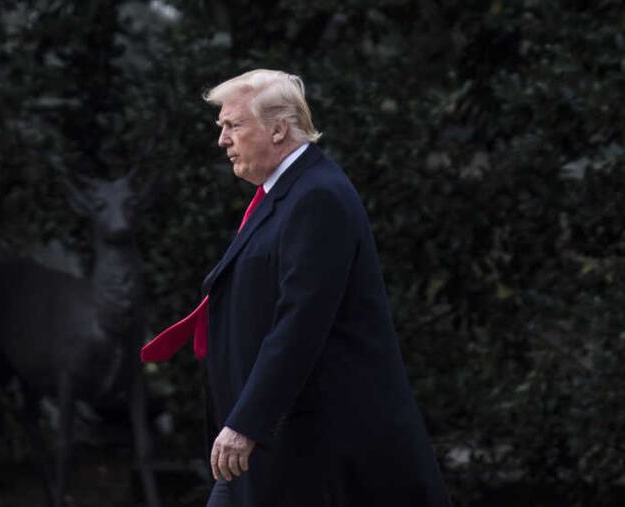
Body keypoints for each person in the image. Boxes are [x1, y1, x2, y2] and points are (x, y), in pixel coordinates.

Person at [141, 69, 451, 507]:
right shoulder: (291, 192)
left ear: (279, 129)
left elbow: (300, 322)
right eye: (222, 127)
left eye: (233, 125)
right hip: (279, 442)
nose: (222, 140)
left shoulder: (317, 197)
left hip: (310, 445)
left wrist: (247, 423)